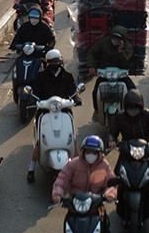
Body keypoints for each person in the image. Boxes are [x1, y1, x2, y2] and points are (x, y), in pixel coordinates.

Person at [108, 91, 149, 229]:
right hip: (126, 152)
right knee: (116, 177)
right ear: (125, 107)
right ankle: (116, 200)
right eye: (130, 107)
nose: (133, 111)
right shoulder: (120, 117)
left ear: (141, 107)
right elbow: (112, 131)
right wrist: (111, 140)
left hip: (146, 153)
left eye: (136, 108)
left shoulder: (147, 116)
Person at [27, 49, 81, 182]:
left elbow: (72, 91)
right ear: (48, 63)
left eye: (57, 61)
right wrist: (34, 100)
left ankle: (79, 167)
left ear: (61, 61)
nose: (55, 63)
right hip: (45, 110)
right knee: (40, 141)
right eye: (52, 62)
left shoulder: (67, 75)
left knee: (73, 138)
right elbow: (36, 92)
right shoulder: (41, 77)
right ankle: (31, 168)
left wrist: (77, 99)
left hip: (64, 110)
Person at [51, 135, 118, 204]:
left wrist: (110, 194)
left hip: (96, 203)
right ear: (83, 151)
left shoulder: (104, 165)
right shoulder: (74, 163)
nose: (91, 155)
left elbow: (112, 183)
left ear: (99, 153)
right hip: (75, 203)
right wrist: (57, 194)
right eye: (88, 152)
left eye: (94, 153)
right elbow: (62, 179)